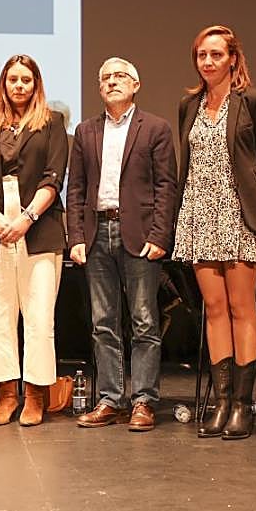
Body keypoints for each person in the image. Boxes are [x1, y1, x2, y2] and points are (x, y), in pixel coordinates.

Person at [172, 24, 256, 440]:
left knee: (242, 307)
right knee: (214, 309)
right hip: (199, 213)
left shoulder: (253, 101)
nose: (208, 62)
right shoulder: (189, 105)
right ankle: (220, 401)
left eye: (216, 54)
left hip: (239, 214)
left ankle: (243, 404)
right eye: (202, 55)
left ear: (232, 59)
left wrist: (251, 201)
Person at [68, 58, 177, 432]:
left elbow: (166, 186)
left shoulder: (156, 128)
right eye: (106, 78)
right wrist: (76, 237)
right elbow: (77, 189)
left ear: (136, 84)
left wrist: (161, 235)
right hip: (98, 233)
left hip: (141, 235)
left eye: (120, 77)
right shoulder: (85, 131)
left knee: (145, 321)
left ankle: (144, 400)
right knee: (103, 323)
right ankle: (110, 399)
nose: (112, 82)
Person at [0, 54, 68, 426]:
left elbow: (53, 177)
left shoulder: (53, 123)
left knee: (39, 317)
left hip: (38, 226)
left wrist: (26, 218)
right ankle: (6, 395)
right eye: (13, 79)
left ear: (36, 84)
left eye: (27, 80)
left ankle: (35, 395)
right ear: (4, 84)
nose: (20, 86)